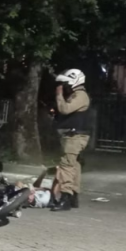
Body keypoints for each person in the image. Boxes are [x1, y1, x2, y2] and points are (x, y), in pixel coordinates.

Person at [51, 68, 91, 212]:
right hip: (72, 136)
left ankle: (65, 198)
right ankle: (73, 197)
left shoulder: (80, 95)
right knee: (74, 165)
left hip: (75, 137)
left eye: (66, 83)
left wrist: (59, 95)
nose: (63, 86)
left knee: (66, 165)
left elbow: (65, 109)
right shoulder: (77, 95)